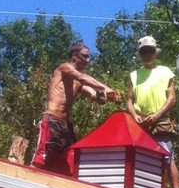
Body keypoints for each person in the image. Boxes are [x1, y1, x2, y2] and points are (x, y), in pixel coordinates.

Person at [32, 42, 120, 174]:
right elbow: (82, 77)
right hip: (51, 121)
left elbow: (94, 95)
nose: (87, 60)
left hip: (65, 126)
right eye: (85, 56)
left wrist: (109, 97)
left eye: (89, 57)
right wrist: (105, 88)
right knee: (41, 159)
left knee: (68, 164)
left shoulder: (78, 83)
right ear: (75, 55)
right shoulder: (64, 68)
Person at [126, 35, 179, 188]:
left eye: (150, 51)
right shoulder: (134, 75)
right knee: (142, 157)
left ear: (155, 53)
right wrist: (135, 115)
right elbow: (129, 100)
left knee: (166, 155)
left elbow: (172, 99)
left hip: (160, 120)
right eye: (144, 52)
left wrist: (156, 116)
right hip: (141, 123)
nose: (147, 55)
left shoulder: (164, 72)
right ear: (140, 54)